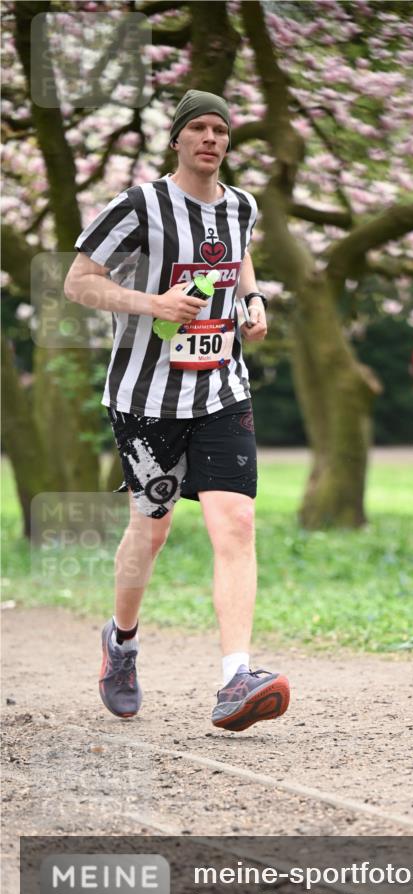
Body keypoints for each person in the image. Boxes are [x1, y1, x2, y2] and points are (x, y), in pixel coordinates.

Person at [64, 89, 290, 732]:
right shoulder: (140, 205)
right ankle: (122, 644)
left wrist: (254, 300)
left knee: (236, 524)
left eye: (220, 129)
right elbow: (78, 282)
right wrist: (152, 304)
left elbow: (240, 256)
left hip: (222, 389)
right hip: (146, 398)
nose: (211, 139)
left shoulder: (241, 205)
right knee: (152, 528)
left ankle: (235, 678)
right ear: (178, 140)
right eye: (199, 129)